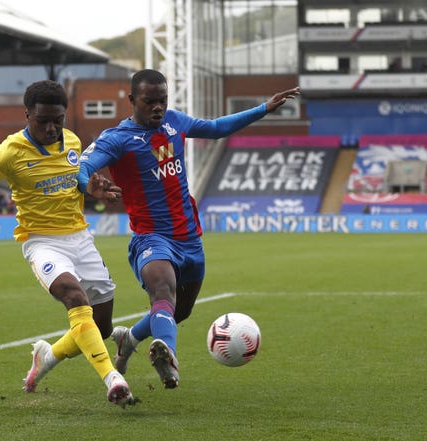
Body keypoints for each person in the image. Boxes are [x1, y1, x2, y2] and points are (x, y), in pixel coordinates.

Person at [78, 69, 300, 389]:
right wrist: (89, 184)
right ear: (132, 101)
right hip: (151, 237)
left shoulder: (174, 122)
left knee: (178, 312)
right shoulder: (117, 138)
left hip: (190, 237)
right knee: (162, 290)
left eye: (162, 101)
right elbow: (83, 166)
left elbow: (215, 128)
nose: (158, 107)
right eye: (149, 101)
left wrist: (263, 108)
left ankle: (130, 339)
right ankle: (168, 356)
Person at [0, 80, 136, 407]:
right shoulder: (10, 151)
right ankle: (113, 379)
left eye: (57, 119)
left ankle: (48, 356)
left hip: (80, 239)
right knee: (74, 296)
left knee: (99, 329)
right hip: (42, 242)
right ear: (27, 115)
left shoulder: (71, 141)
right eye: (42, 120)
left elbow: (79, 181)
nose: (51, 127)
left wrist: (91, 190)